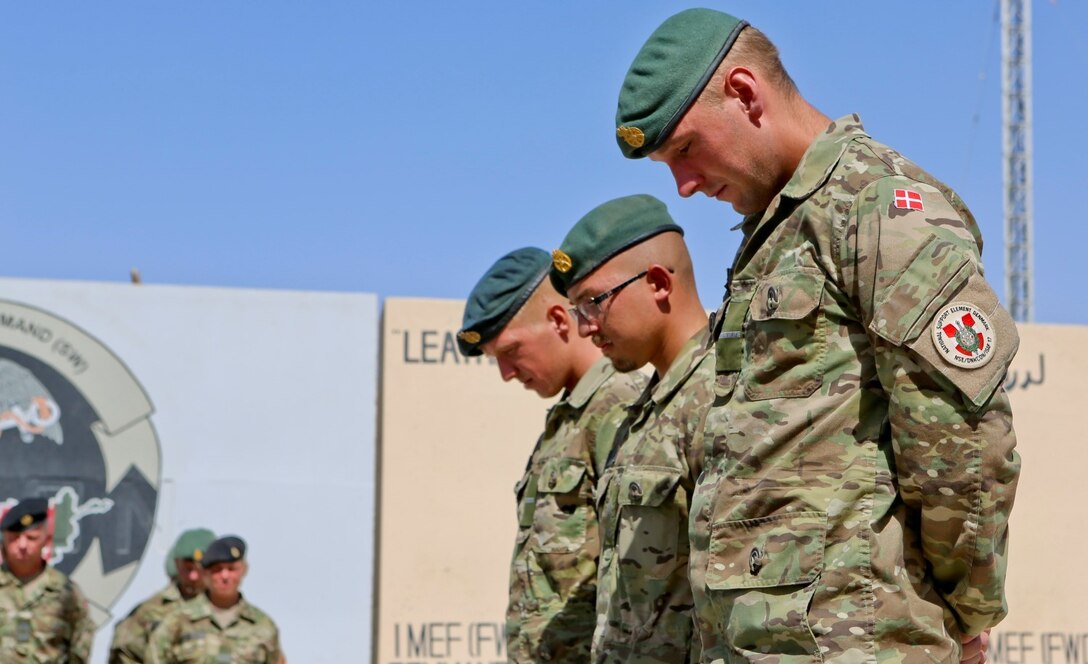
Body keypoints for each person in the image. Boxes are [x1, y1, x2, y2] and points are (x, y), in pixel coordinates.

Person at [613, 9, 1021, 662]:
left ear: (746, 95)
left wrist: (966, 610)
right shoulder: (775, 235)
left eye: (685, 150)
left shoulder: (877, 206)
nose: (684, 187)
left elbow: (961, 442)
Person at [457, 247, 645, 662]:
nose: (507, 374)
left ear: (559, 321)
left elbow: (643, 581)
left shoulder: (617, 407)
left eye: (509, 352)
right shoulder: (568, 421)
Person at [549, 194, 713, 663]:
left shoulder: (725, 398)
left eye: (593, 304)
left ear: (658, 283)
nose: (585, 328)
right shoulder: (641, 413)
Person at [147, 535, 283, 664]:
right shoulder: (177, 622)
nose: (225, 576)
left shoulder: (262, 627)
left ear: (244, 570)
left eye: (232, 569)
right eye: (217, 570)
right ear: (205, 573)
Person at [0, 497, 95, 663]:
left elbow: (79, 648)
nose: (22, 545)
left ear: (46, 540)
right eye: (14, 538)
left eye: (31, 538)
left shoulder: (66, 593)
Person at [110, 527, 217, 663]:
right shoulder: (151, 611)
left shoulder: (231, 610)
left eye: (199, 568)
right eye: (188, 568)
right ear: (177, 564)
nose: (193, 576)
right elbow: (125, 652)